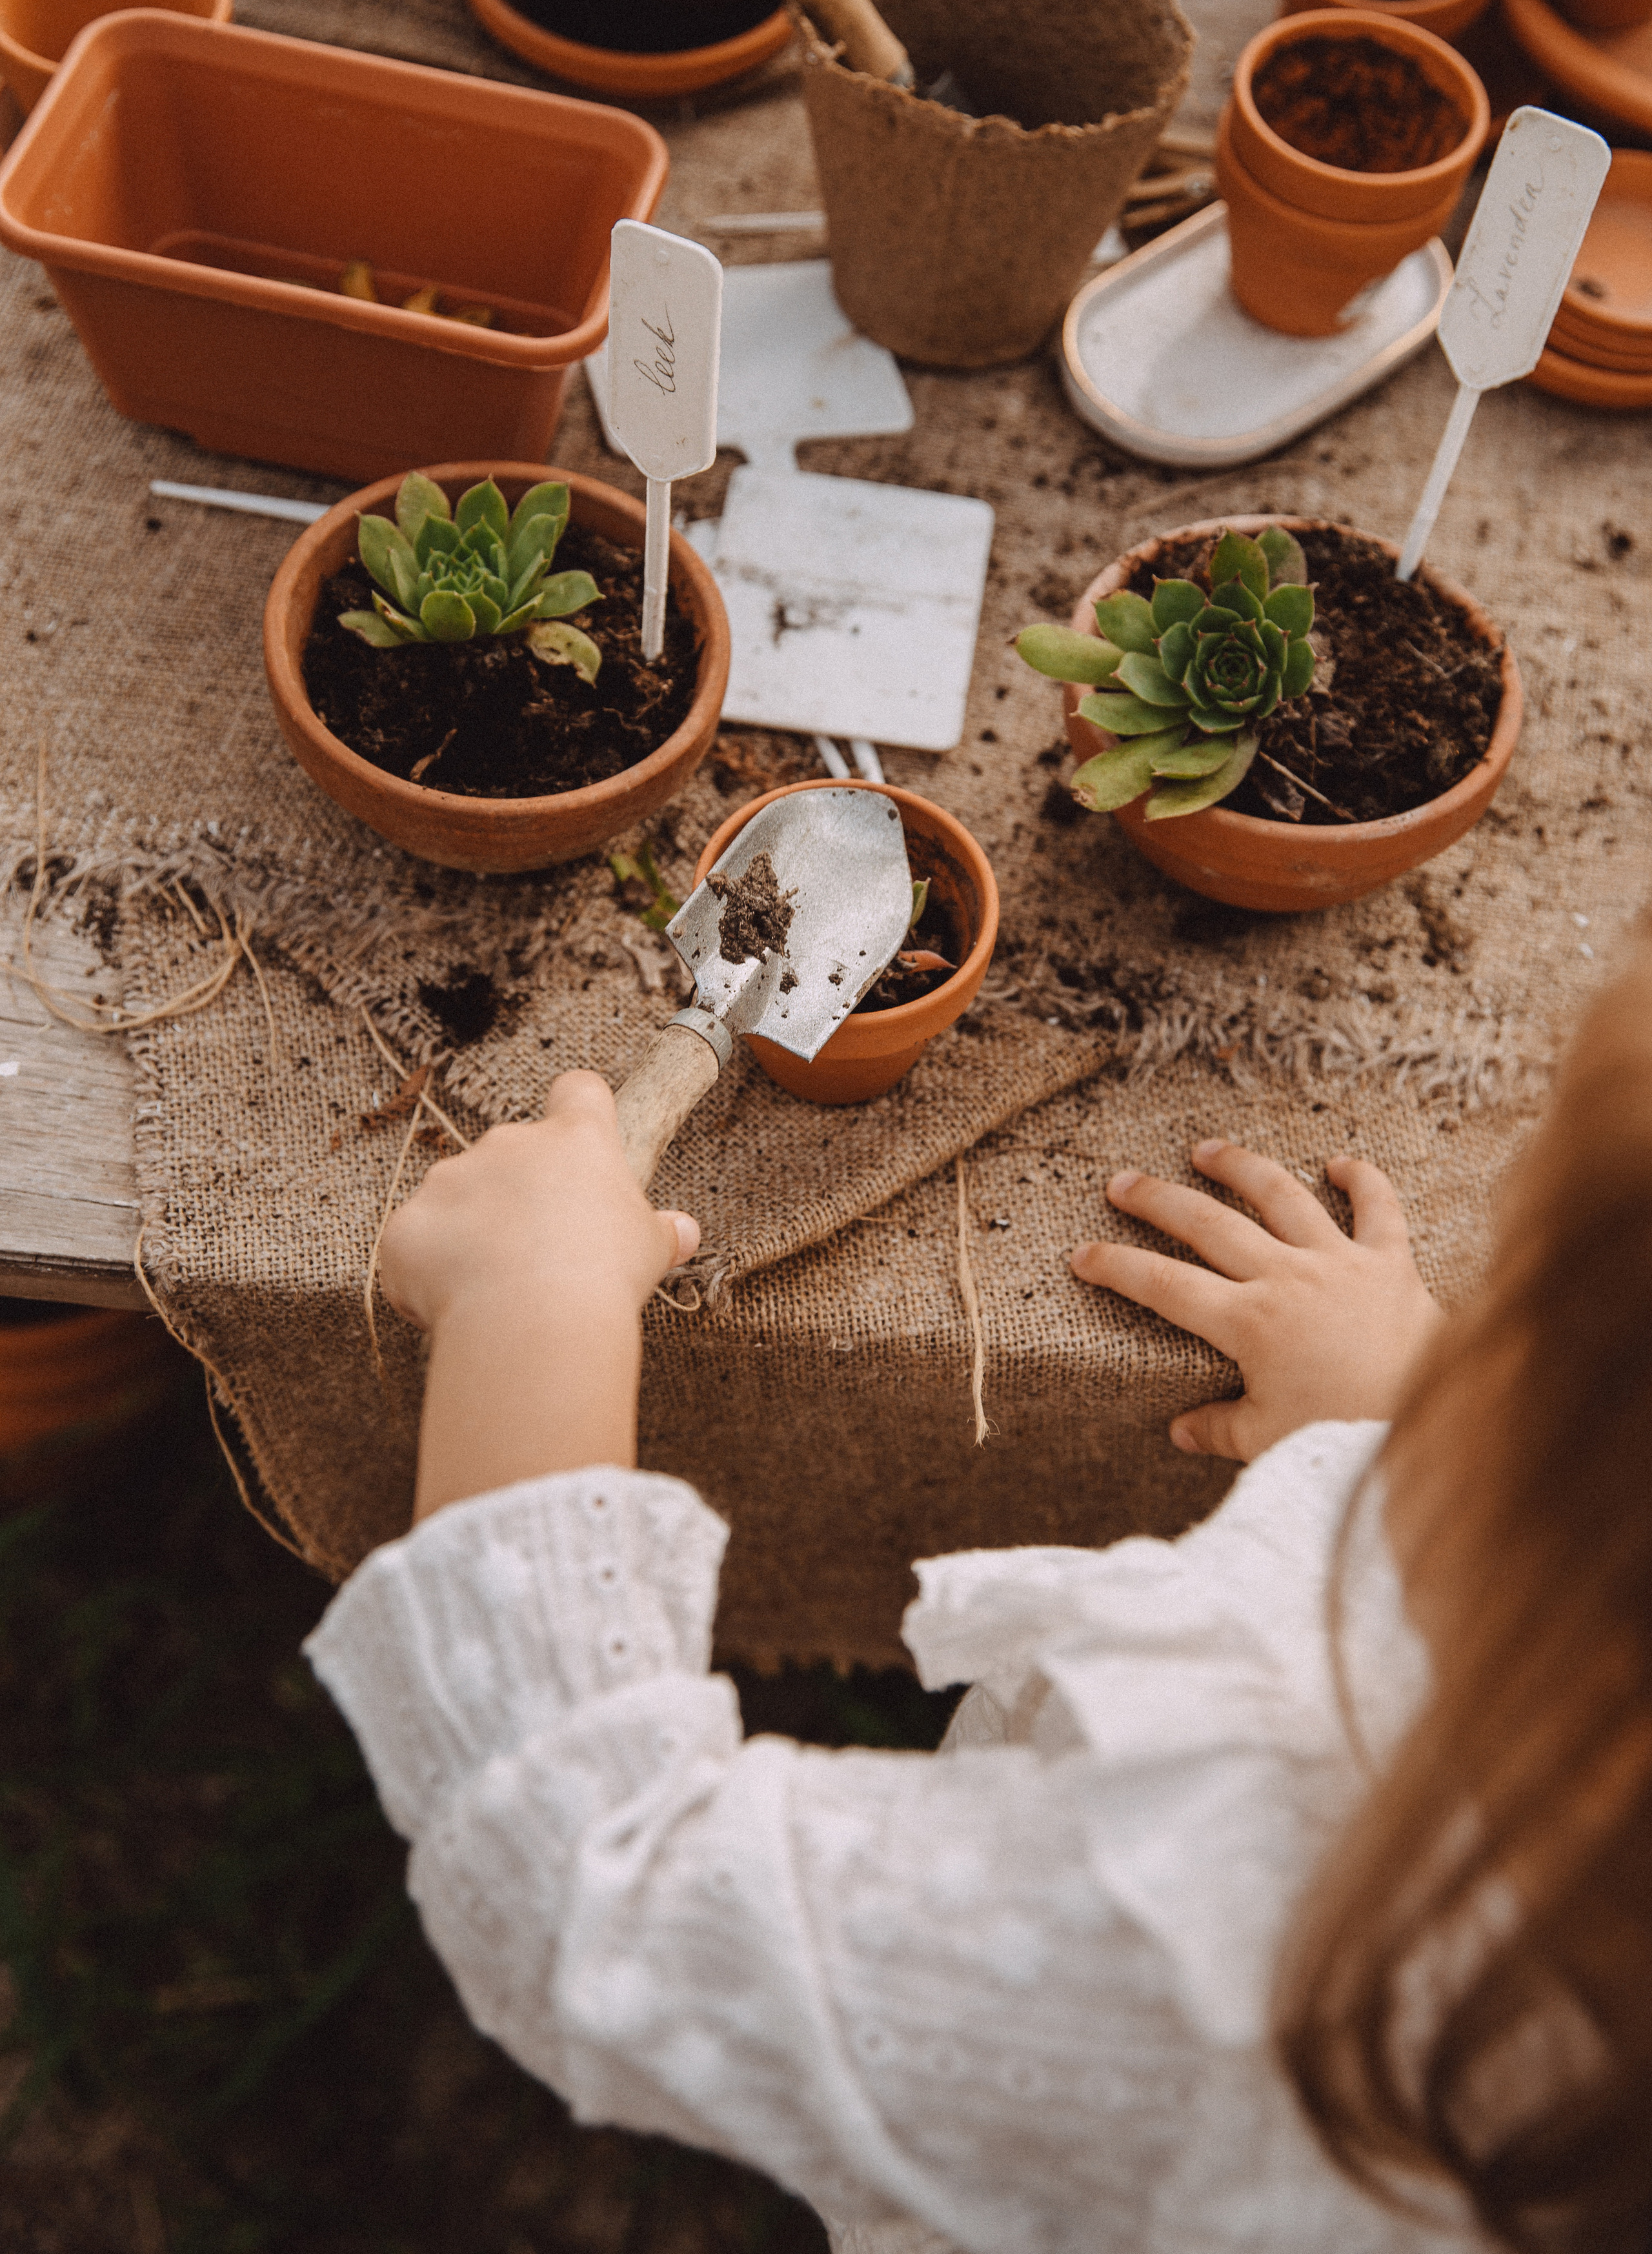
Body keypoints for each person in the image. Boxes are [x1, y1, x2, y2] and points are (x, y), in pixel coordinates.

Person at [307, 939, 1652, 2254]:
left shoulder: (1225, 1944)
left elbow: (586, 1885)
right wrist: (1405, 1420)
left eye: (1512, 1318)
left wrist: (530, 1301)